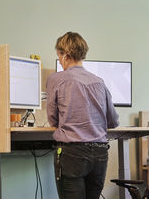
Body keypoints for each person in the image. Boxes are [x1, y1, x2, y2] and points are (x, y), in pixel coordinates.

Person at [46, 31, 119, 199]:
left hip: (72, 153)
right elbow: (113, 121)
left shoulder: (56, 79)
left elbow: (52, 119)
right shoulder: (99, 81)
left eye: (59, 55)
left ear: (65, 55)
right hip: (100, 154)